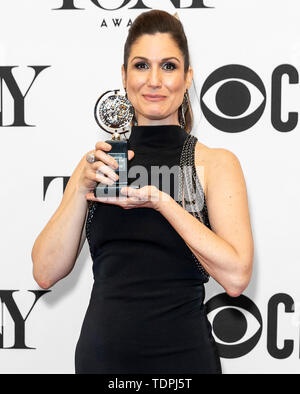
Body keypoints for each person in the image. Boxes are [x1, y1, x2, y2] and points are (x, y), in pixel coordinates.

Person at [31, 10, 254, 374]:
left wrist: (162, 202)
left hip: (184, 361)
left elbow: (236, 276)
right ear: (124, 76)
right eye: (140, 66)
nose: (154, 80)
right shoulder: (100, 164)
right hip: (102, 361)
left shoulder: (214, 164)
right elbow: (44, 272)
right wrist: (78, 188)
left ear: (187, 78)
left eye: (168, 66)